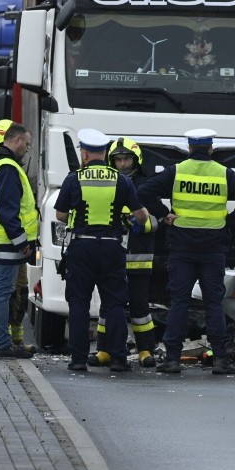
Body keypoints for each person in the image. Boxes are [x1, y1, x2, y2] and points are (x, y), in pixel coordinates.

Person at [138, 128, 235, 375]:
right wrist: (231, 221)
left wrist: (163, 214)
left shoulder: (177, 171)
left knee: (179, 302)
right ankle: (221, 360)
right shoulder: (223, 173)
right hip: (213, 247)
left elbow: (144, 191)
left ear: (190, 148)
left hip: (182, 247)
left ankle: (172, 359)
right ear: (211, 149)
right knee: (213, 303)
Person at [54, 129, 149, 372]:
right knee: (115, 303)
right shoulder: (122, 180)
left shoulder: (74, 178)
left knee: (79, 303)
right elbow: (141, 215)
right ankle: (118, 359)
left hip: (82, 247)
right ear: (106, 153)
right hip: (111, 247)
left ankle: (78, 360)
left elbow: (61, 215)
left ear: (84, 154)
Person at [88, 137, 160, 369]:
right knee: (107, 306)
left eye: (126, 159)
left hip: (139, 258)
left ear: (135, 160)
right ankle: (104, 350)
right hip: (112, 256)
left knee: (140, 307)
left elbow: (160, 219)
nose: (122, 164)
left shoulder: (146, 185)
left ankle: (145, 350)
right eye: (118, 159)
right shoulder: (108, 183)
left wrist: (144, 224)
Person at [0, 121, 38, 359]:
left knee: (4, 291)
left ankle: (6, 341)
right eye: (27, 143)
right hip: (8, 243)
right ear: (16, 140)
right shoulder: (8, 168)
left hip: (0, 241)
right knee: (4, 292)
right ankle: (3, 344)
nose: (27, 148)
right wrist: (22, 240)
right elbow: (7, 209)